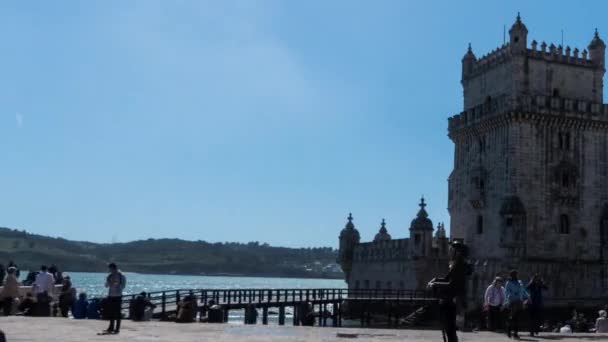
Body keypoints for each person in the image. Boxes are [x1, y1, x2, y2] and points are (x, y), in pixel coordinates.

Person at [427, 240, 470, 342]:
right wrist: (435, 280)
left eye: (452, 249)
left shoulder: (460, 265)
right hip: (450, 299)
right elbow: (447, 279)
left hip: (454, 300)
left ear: (457, 252)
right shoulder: (456, 264)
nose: (450, 251)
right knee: (448, 328)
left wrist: (435, 284)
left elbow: (453, 284)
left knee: (450, 329)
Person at [504, 269, 529, 340]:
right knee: (513, 317)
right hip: (512, 301)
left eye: (516, 274)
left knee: (517, 318)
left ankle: (515, 333)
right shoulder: (508, 282)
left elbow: (523, 290)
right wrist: (512, 294)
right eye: (514, 274)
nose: (516, 276)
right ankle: (509, 330)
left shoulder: (519, 282)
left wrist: (528, 296)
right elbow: (506, 291)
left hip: (519, 301)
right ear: (511, 275)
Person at [102, 263, 126, 334]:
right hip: (110, 296)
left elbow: (123, 286)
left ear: (115, 268)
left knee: (118, 313)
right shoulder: (110, 275)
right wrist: (108, 282)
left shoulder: (121, 275)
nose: (110, 270)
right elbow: (106, 286)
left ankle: (117, 329)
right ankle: (111, 327)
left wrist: (116, 285)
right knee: (111, 312)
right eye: (109, 269)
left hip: (118, 296)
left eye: (111, 269)